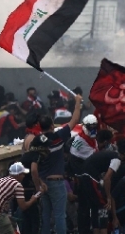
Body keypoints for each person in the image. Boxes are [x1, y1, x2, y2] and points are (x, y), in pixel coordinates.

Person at [32, 94, 82, 234]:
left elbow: (34, 168)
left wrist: (38, 185)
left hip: (43, 183)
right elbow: (75, 120)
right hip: (57, 182)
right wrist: (77, 102)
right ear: (52, 125)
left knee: (46, 216)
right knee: (60, 215)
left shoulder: (36, 141)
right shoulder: (58, 137)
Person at [76, 138, 125, 234]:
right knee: (104, 206)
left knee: (95, 207)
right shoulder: (117, 159)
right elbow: (107, 178)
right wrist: (108, 197)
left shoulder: (110, 153)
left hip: (82, 177)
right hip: (90, 177)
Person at [0, 162, 42, 234]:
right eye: (22, 174)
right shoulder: (17, 185)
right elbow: (23, 206)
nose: (24, 176)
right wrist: (33, 200)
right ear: (17, 175)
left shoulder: (0, 180)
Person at [21, 134, 52, 234]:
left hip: (22, 189)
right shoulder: (36, 155)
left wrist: (41, 182)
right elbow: (34, 170)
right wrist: (38, 188)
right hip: (29, 190)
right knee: (36, 219)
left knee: (27, 220)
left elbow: (32, 172)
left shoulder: (27, 155)